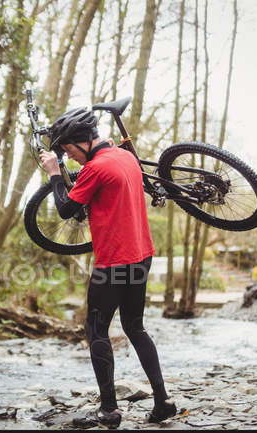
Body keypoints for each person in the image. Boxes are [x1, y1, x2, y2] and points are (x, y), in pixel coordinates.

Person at [39, 107, 178, 428]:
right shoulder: (125, 157)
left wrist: (54, 173)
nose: (69, 157)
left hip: (114, 262)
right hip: (142, 255)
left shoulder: (95, 168)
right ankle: (163, 401)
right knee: (135, 326)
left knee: (96, 329)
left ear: (83, 141)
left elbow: (65, 209)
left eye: (69, 150)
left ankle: (109, 410)